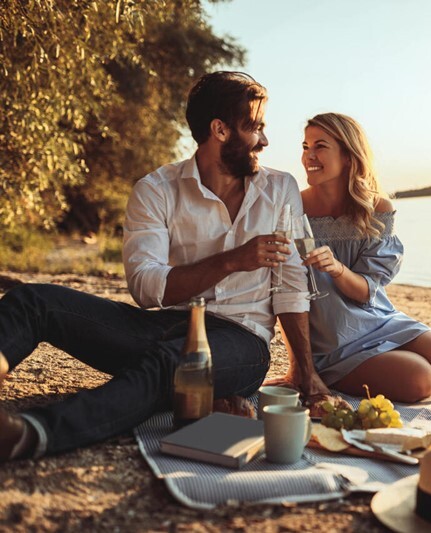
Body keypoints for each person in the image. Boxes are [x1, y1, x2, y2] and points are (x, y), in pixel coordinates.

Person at [0, 71, 329, 462]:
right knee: (33, 300)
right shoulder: (156, 189)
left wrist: (305, 373)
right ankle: (188, 399)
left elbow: (291, 285)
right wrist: (232, 260)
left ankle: (30, 433)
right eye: (254, 127)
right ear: (219, 130)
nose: (265, 140)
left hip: (242, 341)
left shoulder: (281, 189)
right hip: (161, 325)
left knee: (172, 364)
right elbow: (146, 287)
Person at [292, 112, 431, 403]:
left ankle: (394, 358)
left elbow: (369, 289)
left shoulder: (377, 207)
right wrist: (301, 365)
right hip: (332, 341)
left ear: (348, 155)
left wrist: (338, 269)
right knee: (421, 382)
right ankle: (372, 367)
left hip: (377, 319)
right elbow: (284, 291)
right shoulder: (293, 208)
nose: (309, 156)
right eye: (305, 147)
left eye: (320, 146)